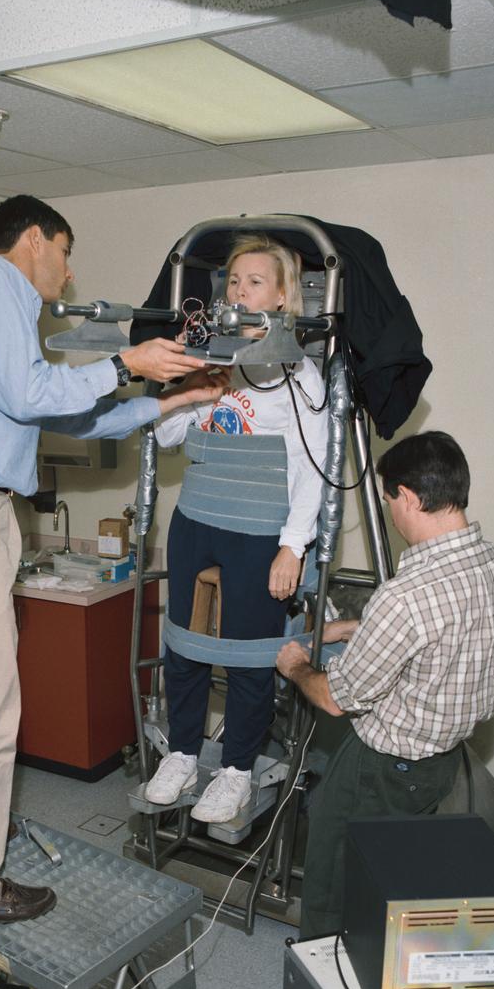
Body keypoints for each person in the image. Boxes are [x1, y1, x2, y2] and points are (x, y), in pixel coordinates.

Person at [0, 195, 221, 924]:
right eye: (65, 253)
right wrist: (126, 359)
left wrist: (165, 401)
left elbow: (61, 413)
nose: (66, 276)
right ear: (33, 238)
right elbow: (29, 392)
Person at [275, 431, 494, 940]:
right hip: (443, 763)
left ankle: (325, 975)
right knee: (393, 872)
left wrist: (296, 664)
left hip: (381, 769)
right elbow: (443, 640)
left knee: (333, 877)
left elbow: (335, 699)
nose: (392, 515)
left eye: (390, 502)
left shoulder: (405, 596)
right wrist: (353, 628)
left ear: (407, 496)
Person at [144, 234, 329, 824]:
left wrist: (292, 549)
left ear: (280, 297)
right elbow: (169, 440)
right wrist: (193, 390)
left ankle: (237, 771)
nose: (239, 291)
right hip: (198, 516)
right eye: (233, 281)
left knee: (251, 655)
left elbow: (312, 474)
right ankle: (180, 752)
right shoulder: (214, 358)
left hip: (259, 527)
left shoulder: (300, 378)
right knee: (185, 644)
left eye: (254, 282)